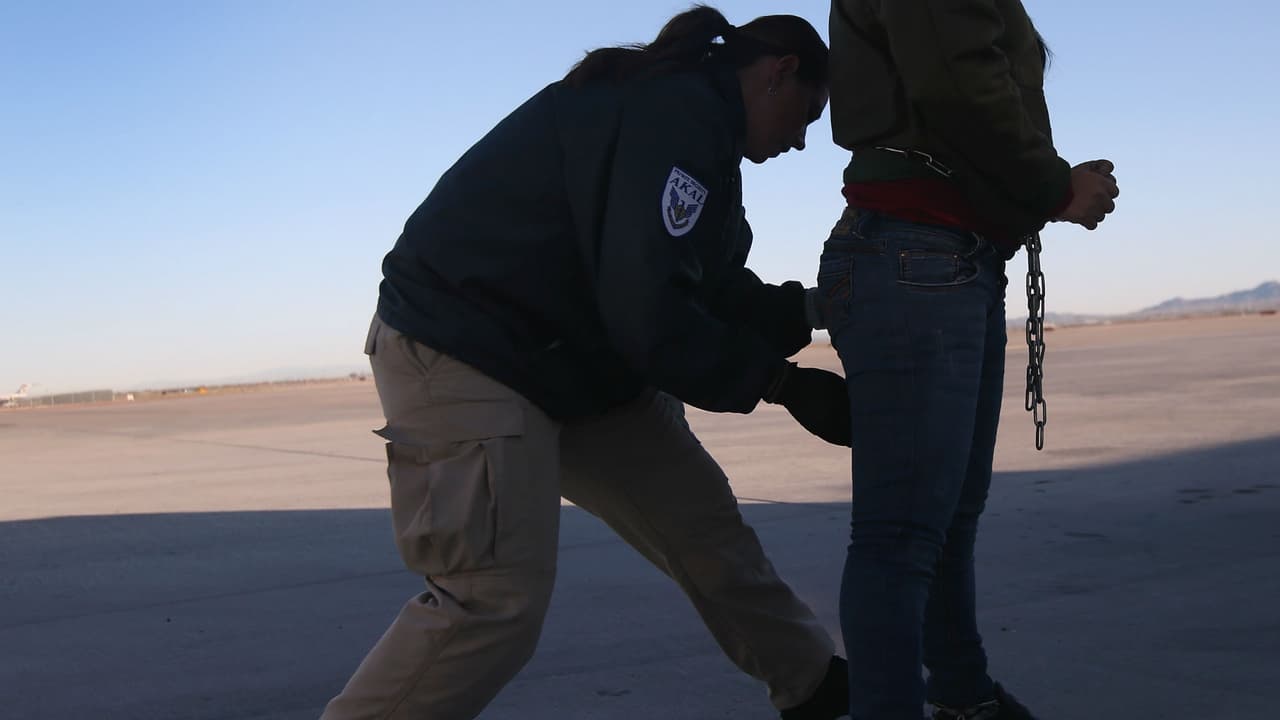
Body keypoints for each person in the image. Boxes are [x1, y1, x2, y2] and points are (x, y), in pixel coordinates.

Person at [321, 6, 853, 720]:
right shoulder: (675, 116)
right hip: (470, 347)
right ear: (779, 71)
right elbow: (648, 312)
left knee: (703, 531)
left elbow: (708, 287)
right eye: (807, 115)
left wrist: (818, 308)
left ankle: (817, 690)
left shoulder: (702, 144)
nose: (801, 140)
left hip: (573, 364)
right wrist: (780, 383)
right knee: (491, 600)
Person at [819, 2, 1121, 719]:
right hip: (917, 253)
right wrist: (1053, 186)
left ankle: (962, 696)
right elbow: (957, 78)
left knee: (947, 518)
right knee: (902, 534)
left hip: (949, 255)